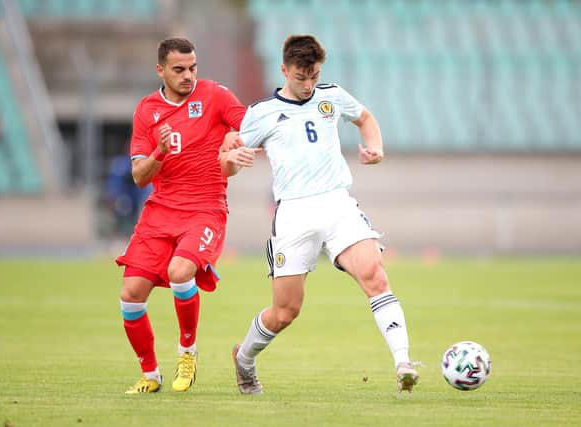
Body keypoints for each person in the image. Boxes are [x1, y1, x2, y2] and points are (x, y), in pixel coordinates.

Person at [221, 34, 419, 395]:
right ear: (284, 70)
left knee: (374, 274)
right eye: (301, 77)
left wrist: (375, 147)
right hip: (294, 213)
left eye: (313, 75)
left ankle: (403, 363)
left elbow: (365, 118)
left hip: (337, 203)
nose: (309, 84)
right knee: (285, 312)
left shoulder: (331, 95)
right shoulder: (261, 113)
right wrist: (232, 161)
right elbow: (227, 160)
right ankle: (244, 358)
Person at [115, 37, 247, 394]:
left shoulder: (215, 95)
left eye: (193, 68)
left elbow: (249, 124)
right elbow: (140, 175)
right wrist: (159, 150)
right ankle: (150, 374)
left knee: (179, 272)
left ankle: (187, 353)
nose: (188, 75)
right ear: (160, 70)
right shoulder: (146, 111)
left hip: (205, 207)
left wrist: (234, 140)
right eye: (179, 69)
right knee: (130, 295)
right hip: (160, 211)